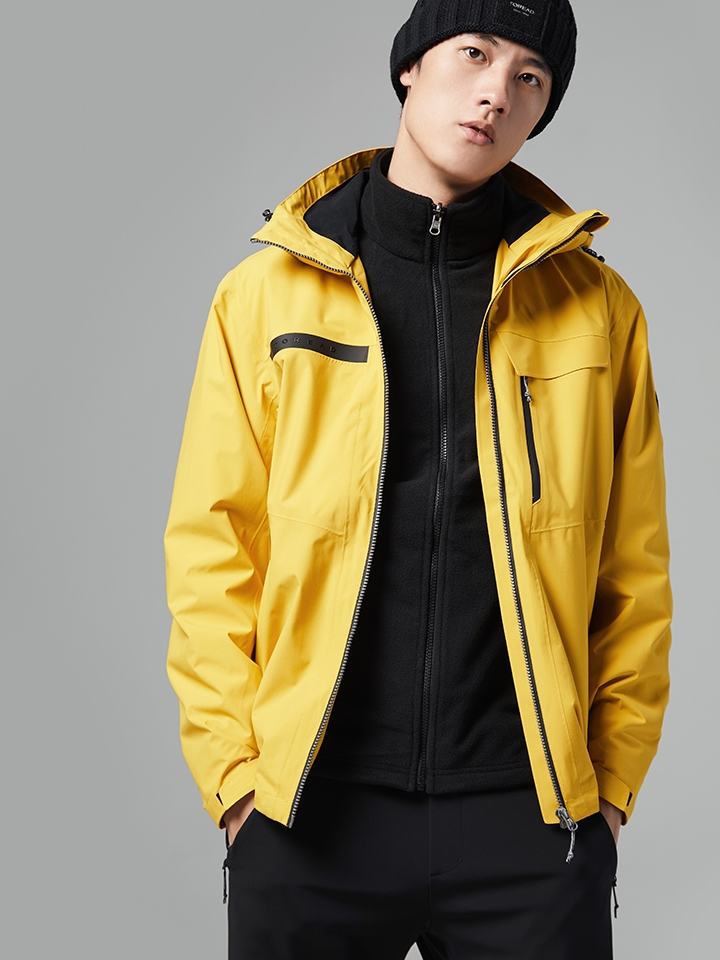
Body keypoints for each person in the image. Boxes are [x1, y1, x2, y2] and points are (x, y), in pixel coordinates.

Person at [165, 1, 672, 956]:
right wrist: (236, 784)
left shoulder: (599, 309)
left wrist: (607, 791)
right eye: (474, 53)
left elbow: (633, 569)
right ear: (410, 65)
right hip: (310, 815)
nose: (496, 92)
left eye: (530, 76)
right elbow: (212, 551)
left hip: (530, 822)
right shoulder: (265, 294)